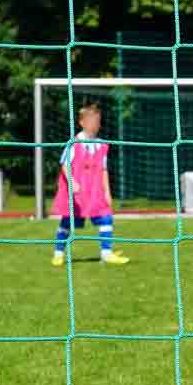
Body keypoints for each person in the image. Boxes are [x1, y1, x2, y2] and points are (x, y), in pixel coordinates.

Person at [51, 104, 128, 267]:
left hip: (95, 191)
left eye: (98, 121)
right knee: (67, 222)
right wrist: (72, 182)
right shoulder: (74, 143)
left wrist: (107, 192)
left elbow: (103, 169)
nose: (95, 124)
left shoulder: (102, 144)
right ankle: (58, 253)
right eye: (92, 121)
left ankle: (106, 253)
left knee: (106, 217)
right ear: (82, 123)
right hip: (77, 193)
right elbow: (64, 164)